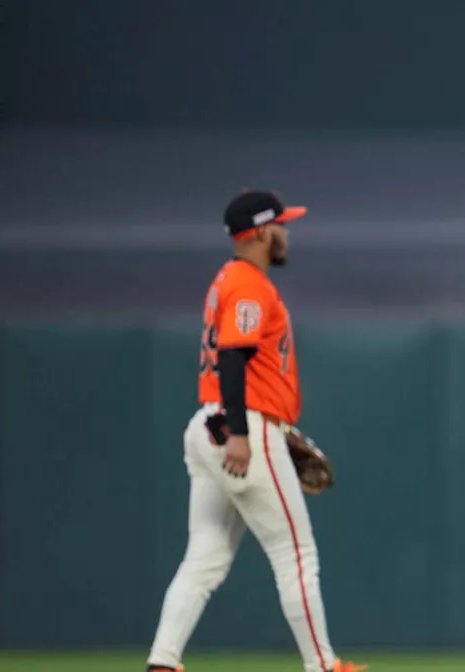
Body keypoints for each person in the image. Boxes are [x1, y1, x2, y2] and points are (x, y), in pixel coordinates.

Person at [146, 191, 364, 672]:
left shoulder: (228, 280)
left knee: (204, 557)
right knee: (296, 553)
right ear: (263, 231)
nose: (287, 233)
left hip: (206, 427)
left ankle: (163, 663)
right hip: (242, 428)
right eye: (282, 225)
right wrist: (243, 434)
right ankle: (323, 665)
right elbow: (232, 355)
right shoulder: (248, 285)